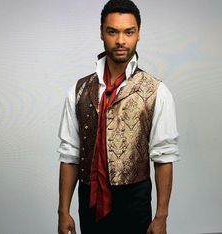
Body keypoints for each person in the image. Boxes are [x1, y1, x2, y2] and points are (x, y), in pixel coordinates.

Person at [57, 0, 179, 233]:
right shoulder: (78, 90)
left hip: (134, 201)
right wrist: (63, 211)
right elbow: (70, 153)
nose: (121, 40)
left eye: (128, 32)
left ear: (138, 34)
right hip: (89, 200)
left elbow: (164, 156)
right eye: (112, 31)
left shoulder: (156, 91)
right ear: (102, 32)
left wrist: (161, 216)